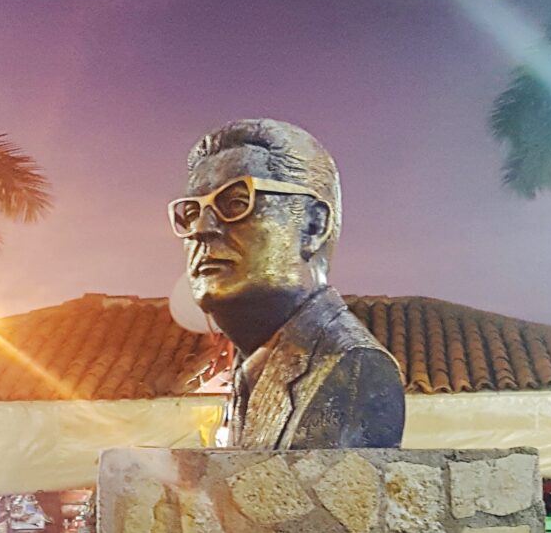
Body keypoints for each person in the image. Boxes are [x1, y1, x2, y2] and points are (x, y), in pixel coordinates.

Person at [168, 118, 405, 449]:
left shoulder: (352, 370)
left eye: (236, 202)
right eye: (191, 212)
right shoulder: (250, 369)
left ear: (312, 226)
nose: (200, 229)